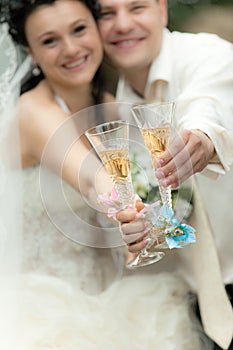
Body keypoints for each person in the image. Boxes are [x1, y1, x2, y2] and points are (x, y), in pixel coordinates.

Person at [0, 1, 207, 349]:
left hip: (108, 292)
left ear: (97, 29)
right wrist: (125, 207)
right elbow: (88, 175)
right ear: (32, 54)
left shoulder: (110, 105)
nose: (71, 49)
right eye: (50, 41)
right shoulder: (33, 113)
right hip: (43, 303)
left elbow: (146, 178)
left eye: (79, 30)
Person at [96, 0, 233, 349]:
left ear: (162, 10)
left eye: (136, 7)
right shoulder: (113, 113)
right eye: (106, 14)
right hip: (186, 300)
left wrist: (202, 140)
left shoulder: (208, 54)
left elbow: (209, 104)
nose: (122, 24)